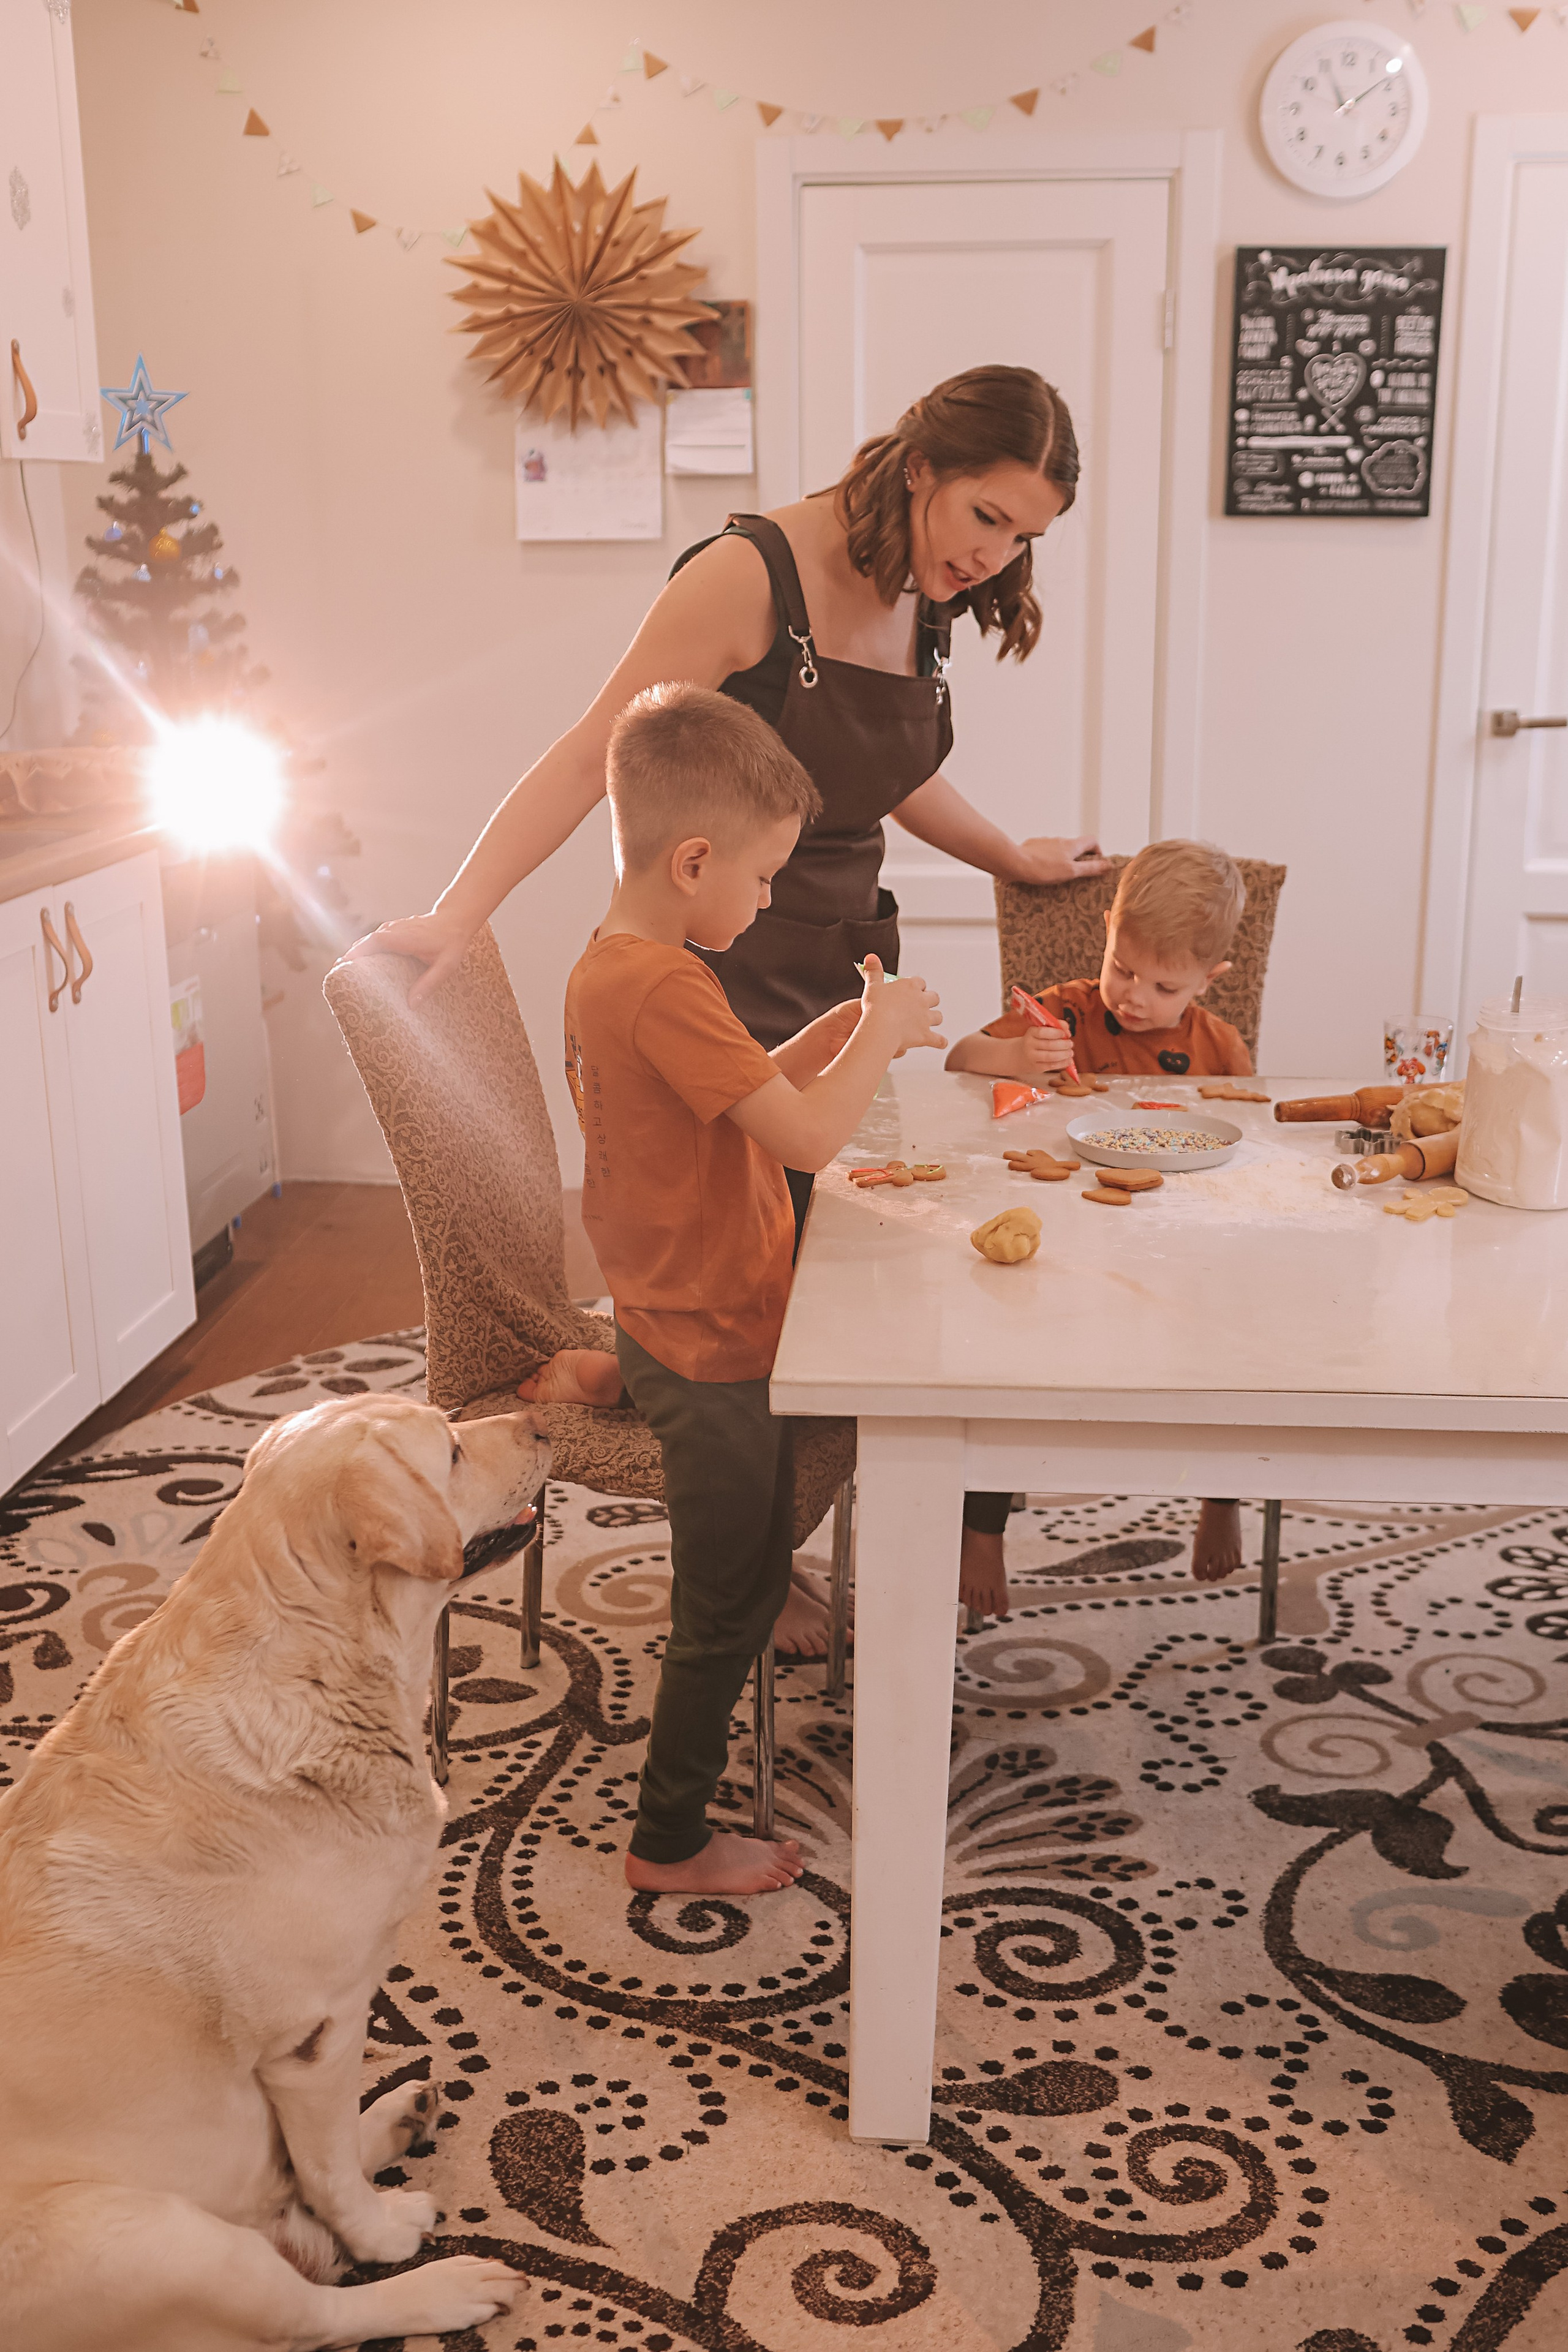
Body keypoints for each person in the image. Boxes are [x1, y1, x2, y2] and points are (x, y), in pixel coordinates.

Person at [349, 363, 1107, 1657]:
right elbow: (599, 752)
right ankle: (751, 1568)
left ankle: (657, 1414)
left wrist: (1011, 860)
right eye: (986, 516)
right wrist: (462, 907)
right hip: (708, 985)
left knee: (823, 1279)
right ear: (920, 466)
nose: (996, 557)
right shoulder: (748, 577)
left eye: (1024, 537)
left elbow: (879, 771)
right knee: (747, 1277)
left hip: (826, 971)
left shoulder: (925, 590)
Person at [542, 681, 944, 1897]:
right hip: (713, 1336)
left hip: (676, 1304)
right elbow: (806, 1144)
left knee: (756, 1555)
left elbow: (733, 1099)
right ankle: (665, 1841)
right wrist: (879, 1035)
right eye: (763, 878)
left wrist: (831, 1030)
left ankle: (622, 1373)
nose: (769, 899)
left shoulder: (624, 965)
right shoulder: (664, 984)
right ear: (694, 858)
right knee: (728, 1601)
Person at [944, 839, 1252, 1604]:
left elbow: (1249, 1141)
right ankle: (979, 1533)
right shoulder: (1066, 1014)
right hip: (1061, 1235)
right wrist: (1016, 1061)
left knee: (1223, 1349)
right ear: (1107, 926)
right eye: (1121, 967)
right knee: (1004, 1360)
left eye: (1162, 985)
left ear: (1209, 981)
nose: (1132, 996)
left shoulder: (1217, 1047)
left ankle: (1221, 1497)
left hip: (1179, 1251)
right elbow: (957, 1060)